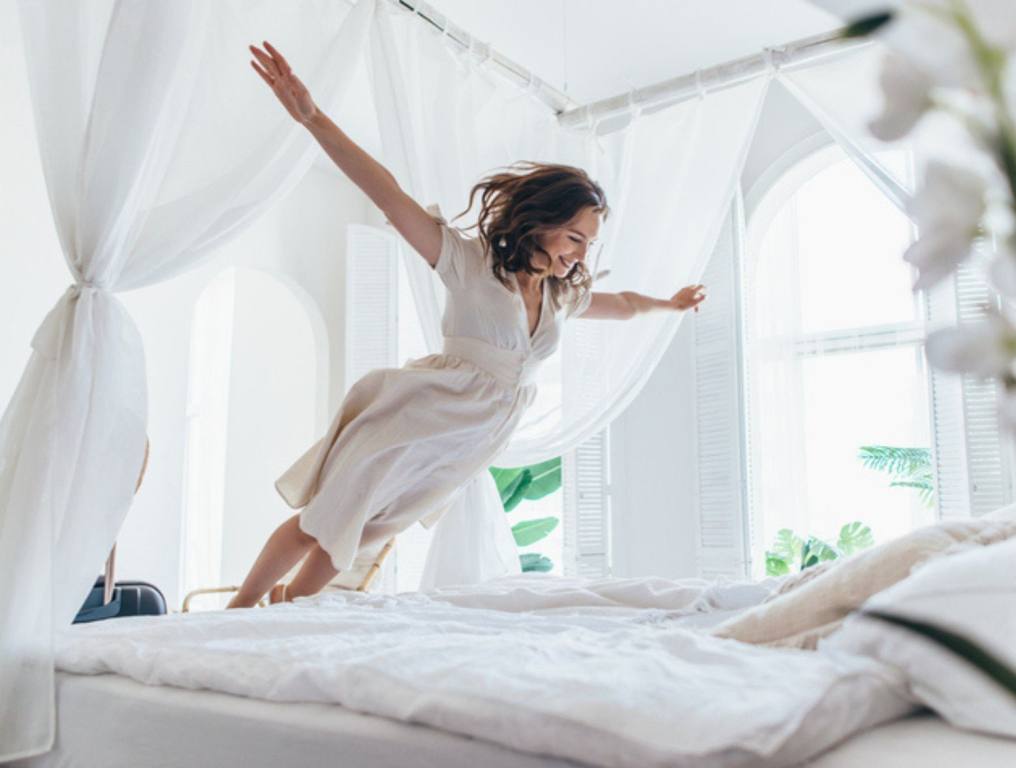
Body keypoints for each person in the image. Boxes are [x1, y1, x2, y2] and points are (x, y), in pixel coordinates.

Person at [227, 42, 706, 608]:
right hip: (416, 417)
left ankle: (287, 611)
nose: (580, 255)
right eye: (574, 238)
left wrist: (668, 305)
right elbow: (386, 191)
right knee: (324, 520)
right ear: (542, 222)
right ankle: (239, 608)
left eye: (589, 244)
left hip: (463, 442)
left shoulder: (558, 297)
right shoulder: (469, 262)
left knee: (364, 530)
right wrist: (312, 118)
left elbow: (621, 302)